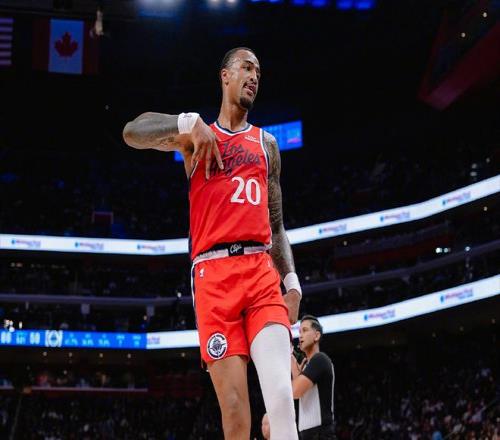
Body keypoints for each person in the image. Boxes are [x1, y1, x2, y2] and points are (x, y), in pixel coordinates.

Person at [123, 47, 301, 439]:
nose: (254, 77)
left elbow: (276, 223)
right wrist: (187, 122)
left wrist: (291, 282)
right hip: (213, 277)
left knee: (281, 400)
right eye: (246, 68)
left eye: (259, 72)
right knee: (235, 416)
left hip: (260, 273)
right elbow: (132, 132)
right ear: (225, 75)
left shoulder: (267, 144)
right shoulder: (194, 136)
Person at [291, 315, 335, 440]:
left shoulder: (320, 359)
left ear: (316, 336)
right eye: (299, 332)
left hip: (320, 434)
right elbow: (297, 392)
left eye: (304, 331)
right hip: (309, 434)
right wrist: (293, 362)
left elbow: (295, 392)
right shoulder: (308, 365)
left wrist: (290, 359)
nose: (300, 336)